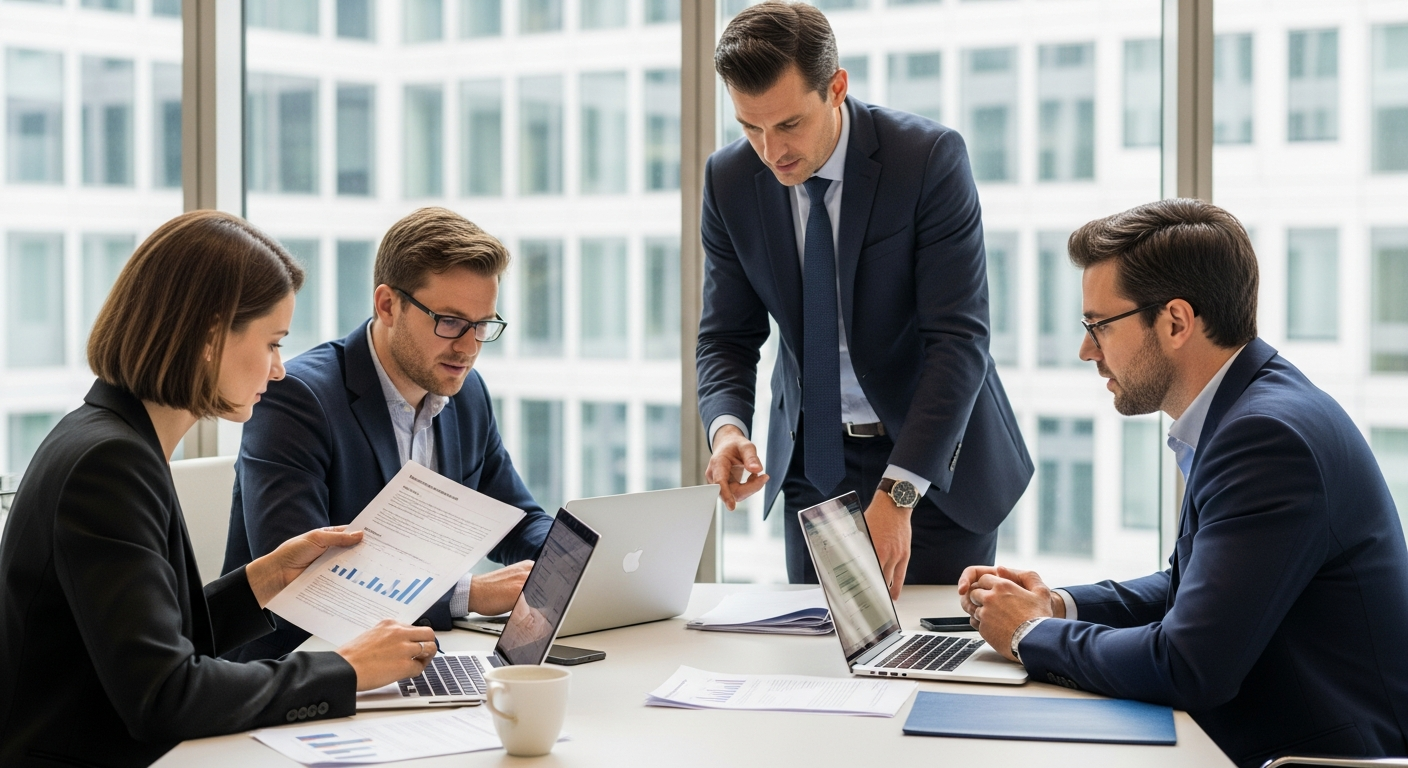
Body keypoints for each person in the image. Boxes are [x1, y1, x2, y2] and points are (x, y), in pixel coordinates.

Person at [958, 199, 1408, 768]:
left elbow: (1188, 665)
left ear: (1175, 321)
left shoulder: (1266, 438)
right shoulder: (1252, 409)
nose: (1086, 350)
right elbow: (1191, 585)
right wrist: (1058, 605)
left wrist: (1030, 633)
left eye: (1098, 326)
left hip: (1309, 755)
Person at [0, 211, 437, 767]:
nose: (279, 369)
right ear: (210, 337)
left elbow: (145, 644)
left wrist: (263, 580)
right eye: (273, 342)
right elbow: (166, 696)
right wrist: (347, 669)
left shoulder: (110, 437)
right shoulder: (109, 462)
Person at [697, 1, 1032, 594]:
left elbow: (959, 342)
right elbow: (726, 336)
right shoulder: (728, 181)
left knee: (929, 656)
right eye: (751, 127)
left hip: (933, 462)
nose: (772, 151)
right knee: (821, 663)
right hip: (815, 463)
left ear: (836, 88)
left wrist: (899, 493)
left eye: (789, 124)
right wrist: (726, 428)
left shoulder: (927, 160)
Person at [222, 207, 552, 661]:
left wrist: (575, 564)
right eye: (451, 322)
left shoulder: (465, 392)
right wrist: (468, 594)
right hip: (299, 669)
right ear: (387, 305)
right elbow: (303, 582)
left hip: (419, 655)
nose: (469, 347)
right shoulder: (296, 399)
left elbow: (518, 519)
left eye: (482, 326)